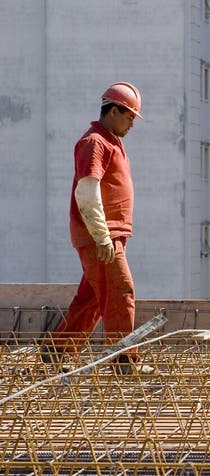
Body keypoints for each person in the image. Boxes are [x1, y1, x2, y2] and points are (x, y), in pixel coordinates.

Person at [43, 82, 152, 374]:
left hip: (108, 234)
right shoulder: (95, 142)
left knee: (93, 296)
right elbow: (87, 191)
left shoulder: (111, 140)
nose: (132, 123)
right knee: (121, 291)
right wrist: (102, 236)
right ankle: (124, 361)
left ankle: (58, 350)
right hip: (100, 236)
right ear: (114, 110)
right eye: (129, 116)